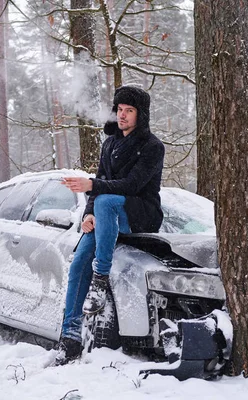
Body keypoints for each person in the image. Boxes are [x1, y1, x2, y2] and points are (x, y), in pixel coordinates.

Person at [55, 85, 165, 365]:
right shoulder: (110, 144)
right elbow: (101, 183)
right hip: (106, 215)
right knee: (80, 259)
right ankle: (70, 337)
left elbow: (132, 185)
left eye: (129, 111)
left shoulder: (152, 146)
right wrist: (88, 214)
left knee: (106, 203)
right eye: (119, 110)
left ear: (141, 115)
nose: (123, 116)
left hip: (141, 212)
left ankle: (100, 277)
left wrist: (93, 187)